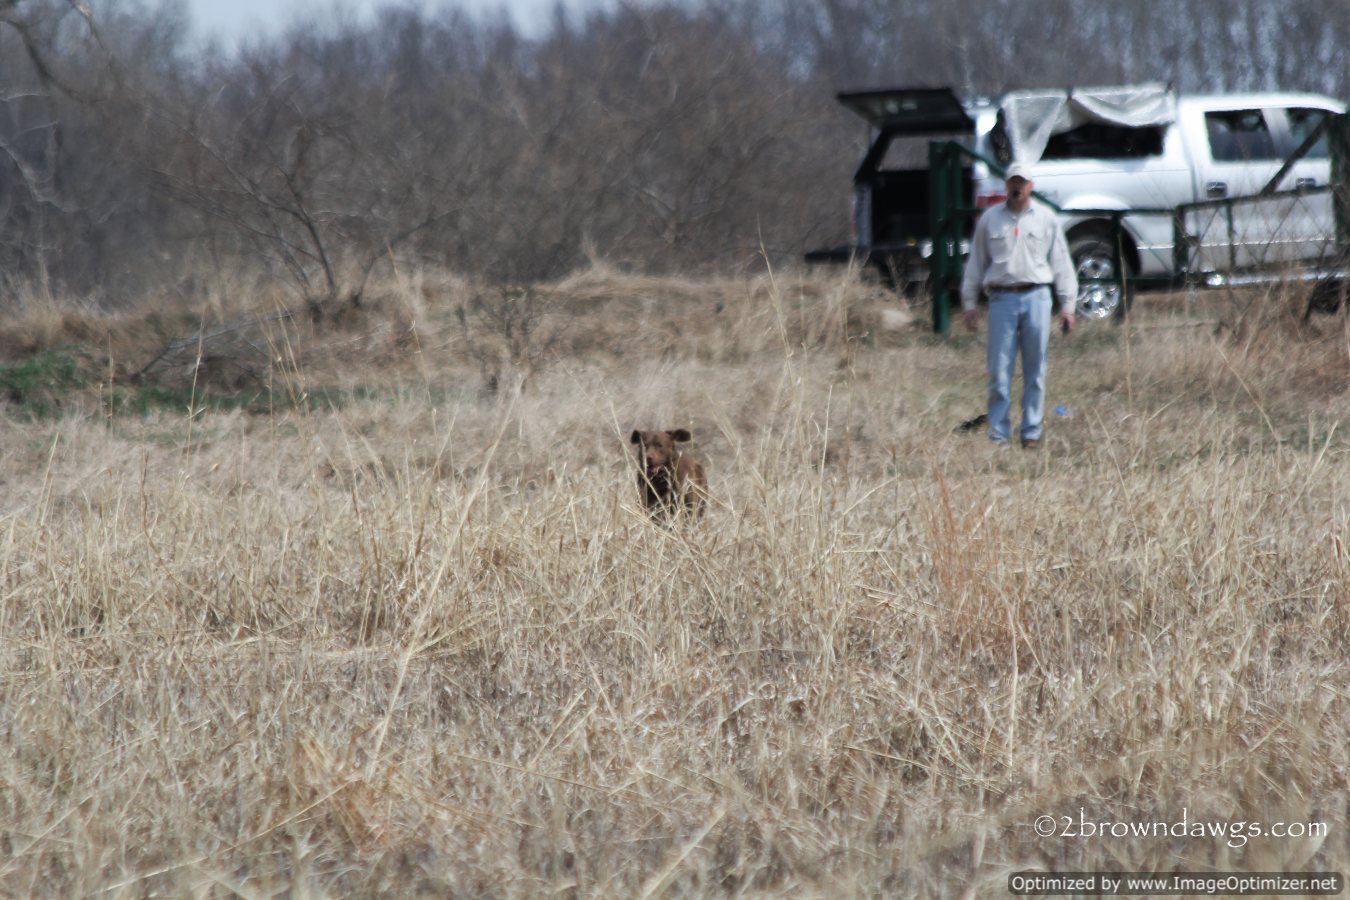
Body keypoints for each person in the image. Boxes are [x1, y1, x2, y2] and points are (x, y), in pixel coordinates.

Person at [960, 162, 1077, 449]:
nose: (1017, 187)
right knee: (999, 370)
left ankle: (1031, 433)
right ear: (1006, 185)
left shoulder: (1046, 218)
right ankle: (999, 435)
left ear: (1031, 186)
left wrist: (1068, 305)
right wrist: (969, 303)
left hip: (1037, 296)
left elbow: (1062, 264)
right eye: (1013, 182)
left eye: (1022, 182)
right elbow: (975, 263)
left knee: (1035, 369)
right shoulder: (990, 220)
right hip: (1001, 298)